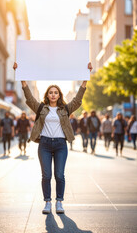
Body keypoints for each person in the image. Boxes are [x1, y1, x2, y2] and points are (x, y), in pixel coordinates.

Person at [13, 61, 93, 215]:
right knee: (46, 175)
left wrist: (85, 78)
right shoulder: (41, 108)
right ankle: (48, 202)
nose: (53, 94)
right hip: (44, 144)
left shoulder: (66, 108)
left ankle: (59, 202)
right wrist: (21, 77)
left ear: (59, 95)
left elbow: (77, 99)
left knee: (59, 175)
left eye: (56, 92)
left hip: (60, 144)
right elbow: (29, 98)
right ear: (47, 95)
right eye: (51, 92)